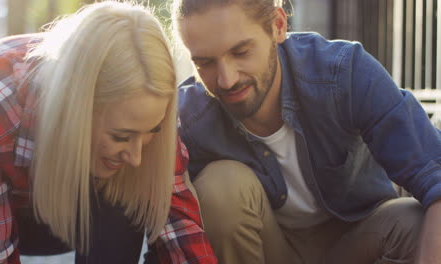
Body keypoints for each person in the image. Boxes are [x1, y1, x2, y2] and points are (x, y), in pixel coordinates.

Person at [172, 0, 441, 263]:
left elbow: (435, 176)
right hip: (269, 249)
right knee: (221, 188)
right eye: (205, 63)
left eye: (241, 52)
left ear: (278, 26)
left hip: (359, 241)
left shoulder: (341, 73)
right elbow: (164, 228)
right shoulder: (191, 118)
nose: (226, 79)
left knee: (413, 222)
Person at [0, 1, 216, 264]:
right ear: (75, 108)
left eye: (150, 131)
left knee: (126, 175)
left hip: (88, 207)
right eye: (121, 136)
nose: (136, 156)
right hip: (11, 213)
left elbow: (179, 232)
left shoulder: (147, 106)